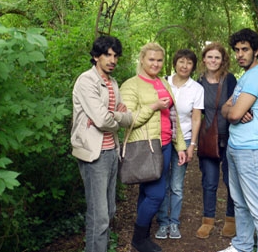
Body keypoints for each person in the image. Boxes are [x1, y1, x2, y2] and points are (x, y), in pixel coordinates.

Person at [120, 42, 187, 252]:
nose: (155, 64)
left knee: (147, 193)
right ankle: (139, 239)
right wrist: (154, 106)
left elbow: (173, 117)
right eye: (151, 59)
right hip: (146, 147)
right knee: (157, 195)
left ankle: (142, 237)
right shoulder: (131, 85)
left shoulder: (163, 83)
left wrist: (181, 146)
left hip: (165, 145)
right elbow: (128, 120)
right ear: (142, 60)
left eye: (159, 60)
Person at [218, 28, 258, 252]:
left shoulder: (257, 76)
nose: (240, 54)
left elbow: (232, 114)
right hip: (236, 148)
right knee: (240, 202)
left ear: (257, 51)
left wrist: (233, 111)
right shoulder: (245, 77)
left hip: (253, 150)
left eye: (245, 49)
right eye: (236, 50)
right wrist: (232, 110)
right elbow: (225, 109)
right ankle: (242, 245)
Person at [71, 35, 132, 252]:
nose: (112, 59)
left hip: (111, 152)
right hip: (93, 155)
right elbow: (102, 119)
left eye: (115, 55)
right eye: (107, 54)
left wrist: (112, 117)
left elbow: (128, 118)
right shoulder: (86, 81)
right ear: (96, 56)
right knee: (100, 216)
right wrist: (115, 117)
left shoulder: (112, 83)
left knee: (109, 212)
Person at [155, 49, 204, 239]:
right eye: (181, 62)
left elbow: (196, 119)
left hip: (182, 143)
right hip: (162, 139)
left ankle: (173, 222)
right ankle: (162, 222)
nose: (184, 66)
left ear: (193, 66)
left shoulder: (196, 89)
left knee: (176, 185)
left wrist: (192, 145)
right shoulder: (162, 82)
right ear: (175, 63)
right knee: (161, 183)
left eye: (189, 63)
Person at [196, 42, 237, 239]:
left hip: (230, 138)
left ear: (222, 60)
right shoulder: (198, 83)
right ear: (204, 59)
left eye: (217, 57)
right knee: (209, 182)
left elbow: (239, 104)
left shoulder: (230, 80)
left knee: (231, 181)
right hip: (207, 139)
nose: (213, 60)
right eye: (210, 57)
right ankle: (208, 221)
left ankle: (231, 219)